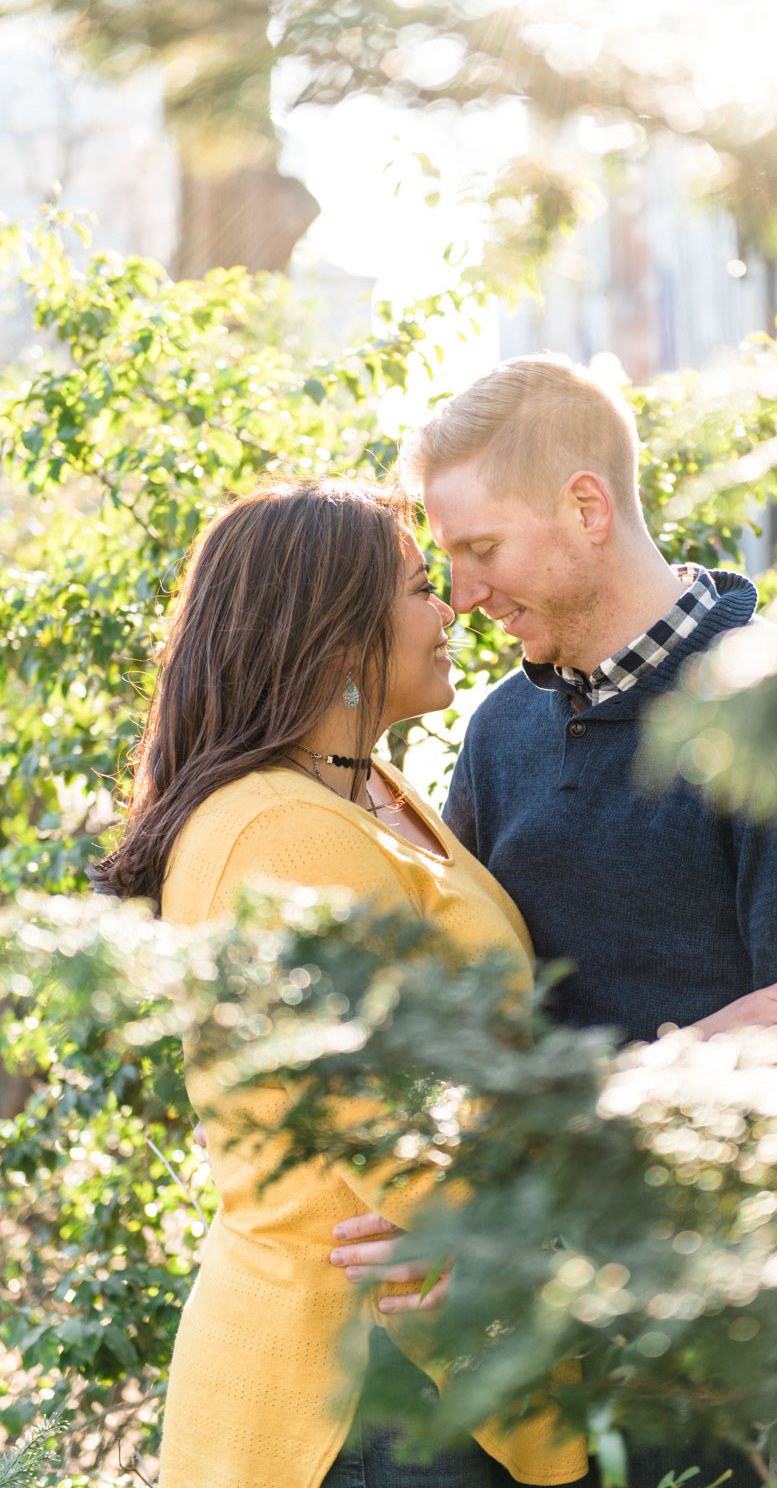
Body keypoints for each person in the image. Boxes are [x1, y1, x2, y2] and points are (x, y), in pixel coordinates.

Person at [332, 355, 777, 1488]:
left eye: (481, 550)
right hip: (503, 1339)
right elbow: (471, 1034)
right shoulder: (502, 733)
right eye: (447, 562)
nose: (462, 593)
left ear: (585, 508)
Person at [91, 478, 593, 1488]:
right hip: (368, 1399)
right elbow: (398, 1142)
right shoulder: (281, 832)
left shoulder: (367, 791)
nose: (451, 607)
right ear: (334, 637)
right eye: (417, 588)